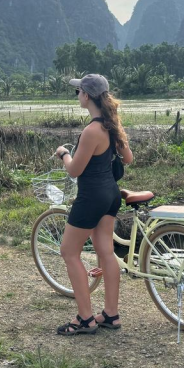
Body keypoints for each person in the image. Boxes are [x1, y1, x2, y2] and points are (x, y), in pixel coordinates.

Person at [53, 73, 134, 335]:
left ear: (87, 96)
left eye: (78, 92)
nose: (77, 96)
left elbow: (75, 170)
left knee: (68, 252)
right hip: (110, 195)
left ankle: (85, 319)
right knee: (106, 252)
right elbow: (129, 158)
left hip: (91, 198)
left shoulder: (90, 131)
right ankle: (111, 314)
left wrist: (64, 154)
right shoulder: (112, 126)